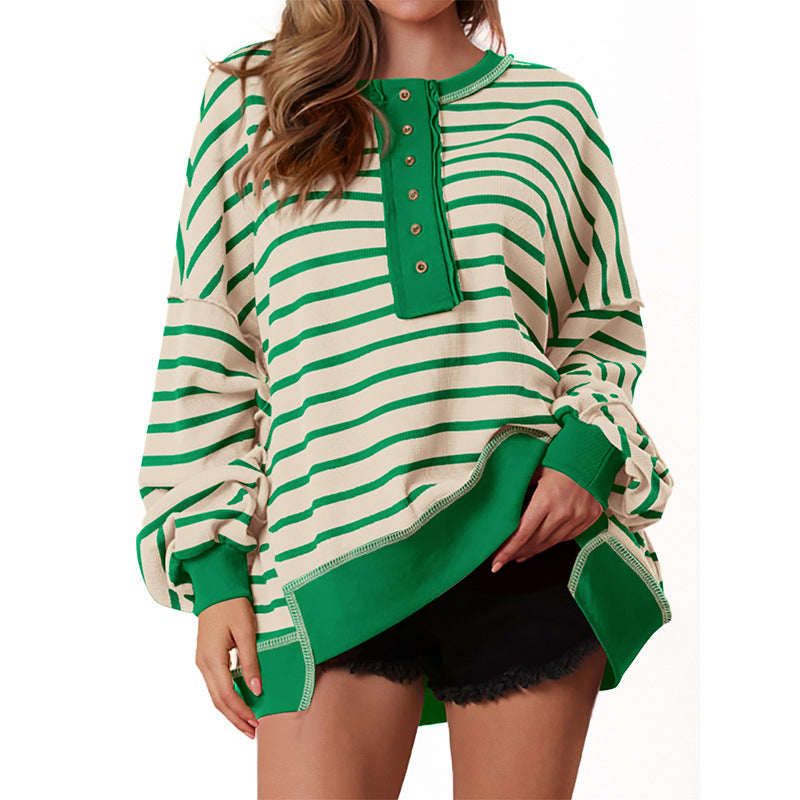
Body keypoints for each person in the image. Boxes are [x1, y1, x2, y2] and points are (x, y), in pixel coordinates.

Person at [135, 1, 675, 797]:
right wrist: (214, 569)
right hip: (323, 549)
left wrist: (585, 457)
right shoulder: (256, 100)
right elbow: (208, 345)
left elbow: (600, 332)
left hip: (523, 542)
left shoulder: (554, 112)